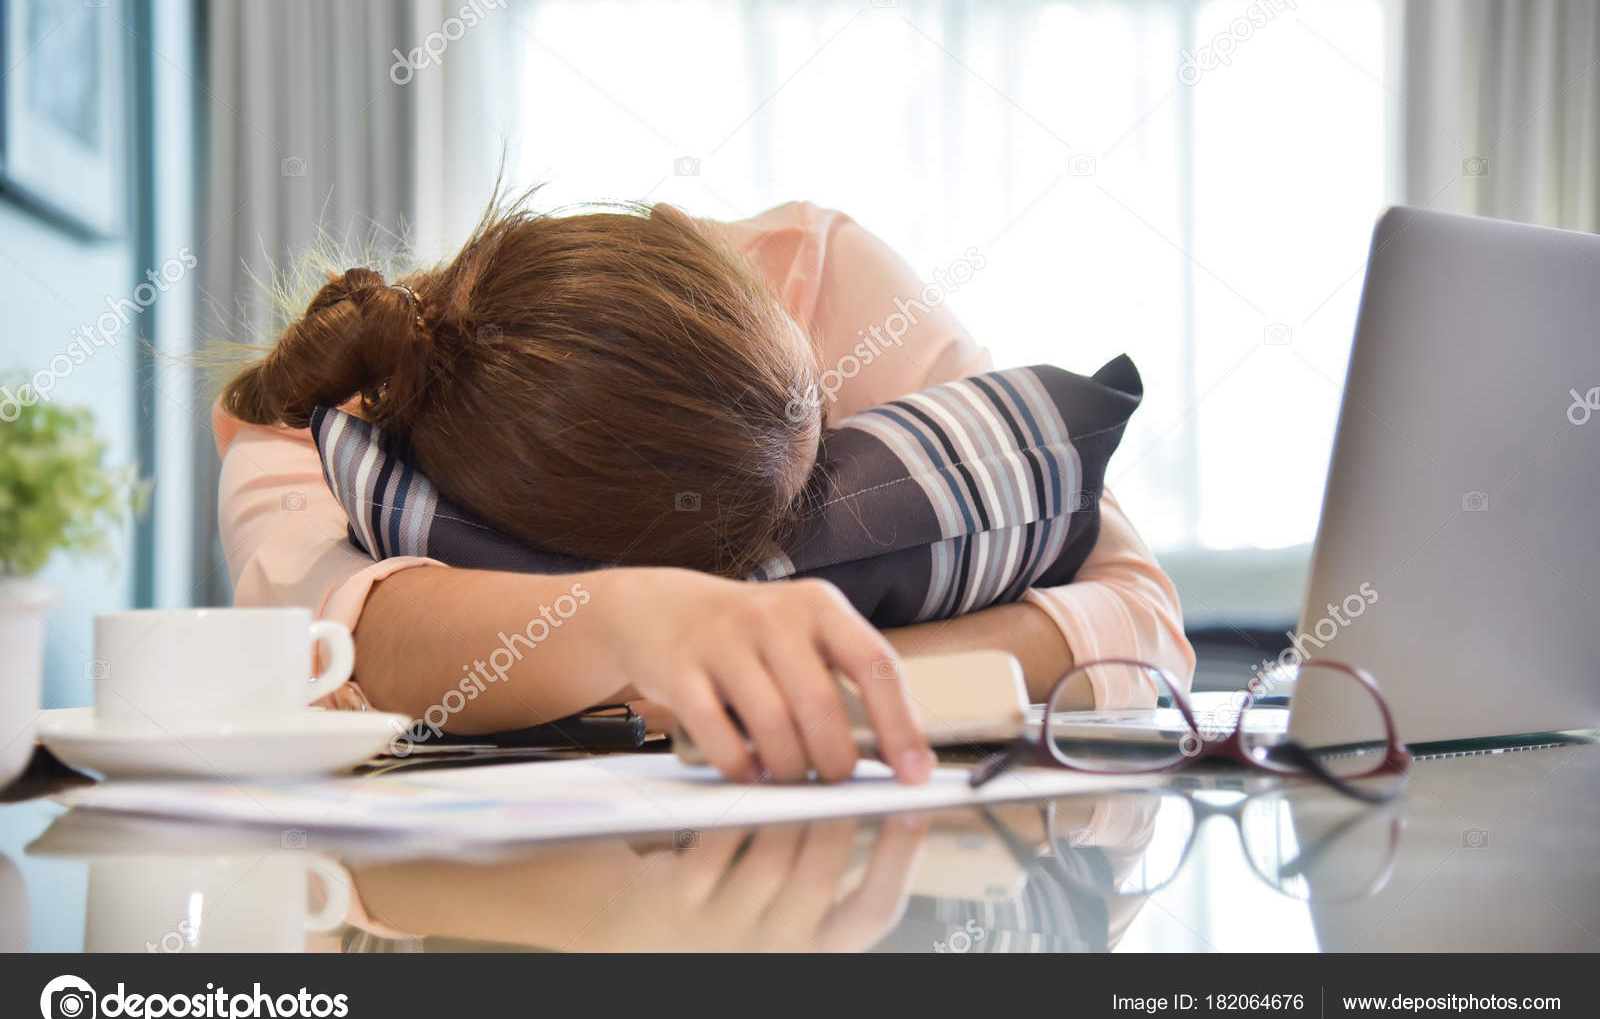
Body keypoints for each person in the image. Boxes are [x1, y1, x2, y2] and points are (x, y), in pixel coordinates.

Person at [215, 198, 1194, 784]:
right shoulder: (303, 418)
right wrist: (637, 621)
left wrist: (822, 679)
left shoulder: (819, 277)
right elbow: (340, 641)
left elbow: (1138, 622)